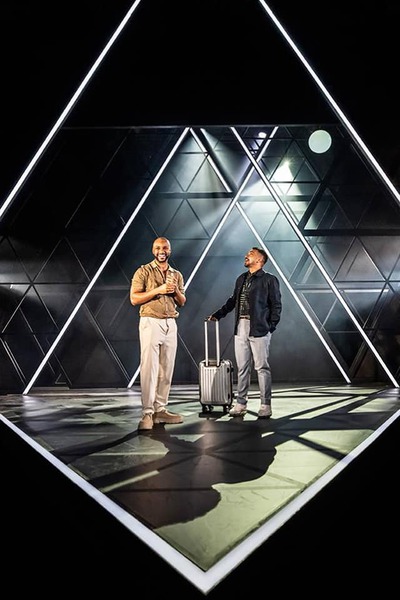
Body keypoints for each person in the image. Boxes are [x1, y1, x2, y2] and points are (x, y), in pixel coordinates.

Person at [208, 247, 282, 418]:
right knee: (242, 368)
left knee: (262, 367)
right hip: (241, 325)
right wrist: (218, 314)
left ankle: (265, 405)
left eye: (251, 254)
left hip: (259, 327)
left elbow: (276, 304)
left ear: (260, 260)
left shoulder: (269, 279)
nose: (246, 256)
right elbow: (233, 301)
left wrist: (270, 327)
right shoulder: (241, 278)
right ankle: (241, 403)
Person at [130, 237, 186, 431]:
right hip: (150, 321)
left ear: (169, 250)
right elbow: (134, 298)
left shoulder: (176, 274)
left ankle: (160, 409)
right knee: (149, 368)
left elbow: (182, 301)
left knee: (166, 368)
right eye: (158, 248)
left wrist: (175, 290)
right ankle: (147, 413)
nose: (161, 251)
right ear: (153, 250)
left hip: (171, 322)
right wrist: (158, 290)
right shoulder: (143, 271)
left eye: (165, 248)